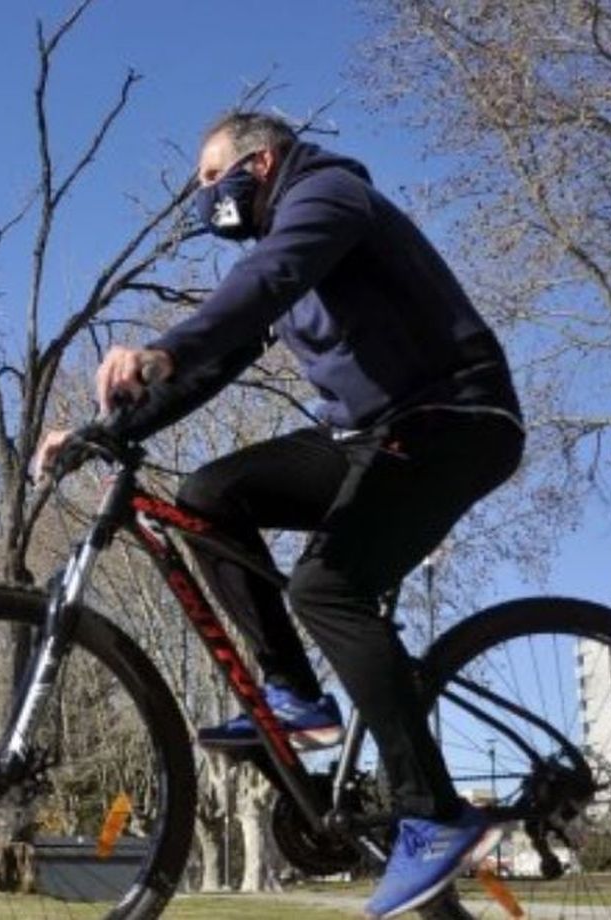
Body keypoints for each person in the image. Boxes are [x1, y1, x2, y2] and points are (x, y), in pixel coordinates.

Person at [34, 112, 524, 918]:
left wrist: (163, 345)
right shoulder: (280, 251)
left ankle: (434, 816)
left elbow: (275, 276)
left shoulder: (329, 195)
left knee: (326, 589)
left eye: (207, 180)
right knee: (210, 496)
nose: (202, 200)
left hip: (453, 419)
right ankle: (296, 696)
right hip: (372, 435)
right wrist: (107, 430)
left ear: (258, 164)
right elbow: (221, 357)